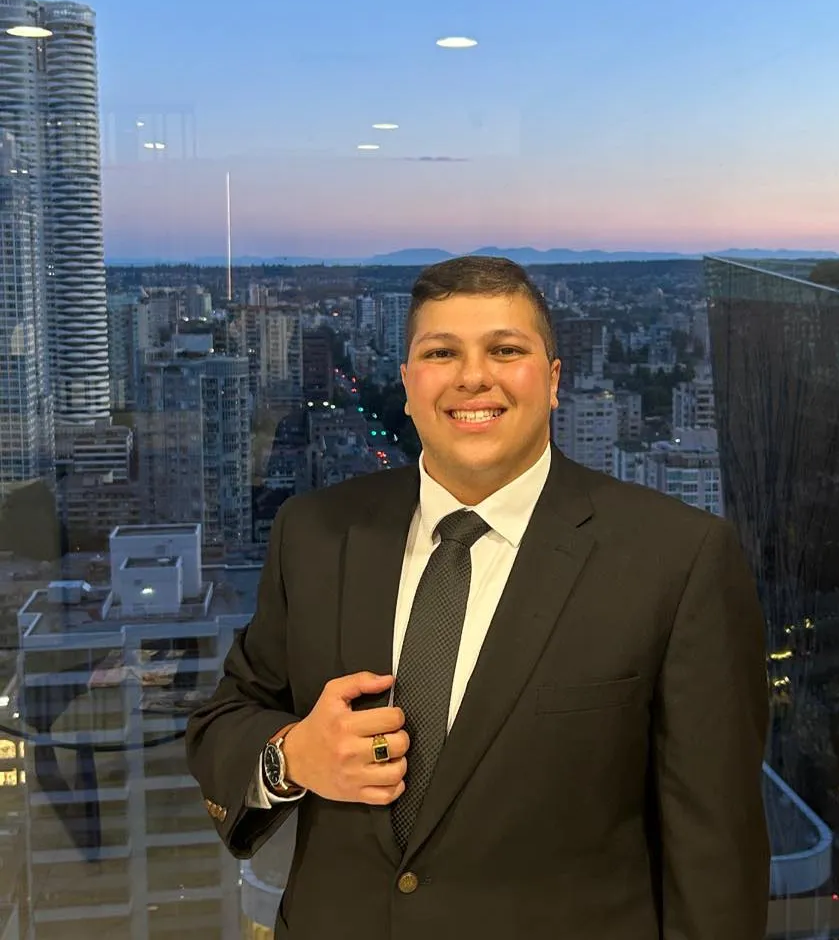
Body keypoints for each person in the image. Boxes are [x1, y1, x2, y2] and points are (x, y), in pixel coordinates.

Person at [185, 255, 771, 940]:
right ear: (407, 384)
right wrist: (291, 758)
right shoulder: (315, 533)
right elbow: (226, 717)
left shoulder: (678, 557)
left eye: (506, 350)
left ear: (554, 380)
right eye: (441, 353)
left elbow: (715, 855)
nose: (473, 377)